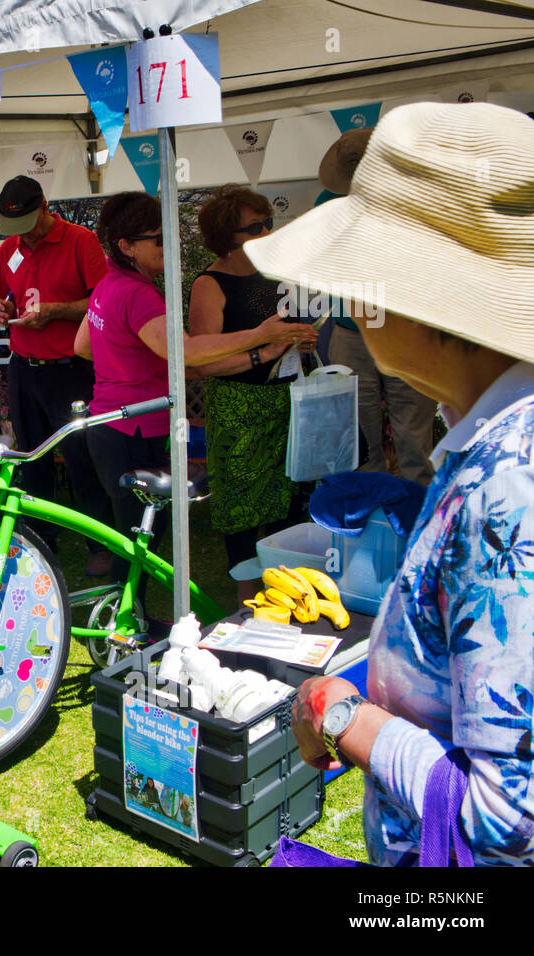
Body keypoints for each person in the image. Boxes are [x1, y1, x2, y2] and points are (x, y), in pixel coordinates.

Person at [247, 102, 534, 865]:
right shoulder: (494, 440)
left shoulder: (508, 486)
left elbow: (507, 822)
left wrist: (337, 712)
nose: (351, 304)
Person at [75, 192, 315, 599]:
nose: (169, 247)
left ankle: (127, 622)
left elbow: (83, 344)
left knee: (135, 535)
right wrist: (261, 336)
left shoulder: (110, 285)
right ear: (126, 246)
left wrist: (136, 358)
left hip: (114, 423)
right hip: (134, 426)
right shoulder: (137, 294)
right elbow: (187, 352)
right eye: (159, 240)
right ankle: (126, 626)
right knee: (140, 538)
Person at [0, 175, 115, 576]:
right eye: (13, 229)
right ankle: (41, 541)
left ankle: (102, 543)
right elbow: (0, 293)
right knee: (32, 459)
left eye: (26, 223)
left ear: (45, 206)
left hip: (72, 370)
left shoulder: (80, 241)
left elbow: (103, 302)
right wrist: (0, 308)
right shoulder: (10, 248)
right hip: (25, 368)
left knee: (83, 459)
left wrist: (55, 311)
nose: (21, 236)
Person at [188, 185, 308, 603]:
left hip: (288, 400)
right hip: (238, 407)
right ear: (227, 236)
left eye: (268, 224)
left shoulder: (274, 277)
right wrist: (264, 352)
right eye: (255, 227)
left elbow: (284, 337)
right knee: (240, 504)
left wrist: (299, 341)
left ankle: (284, 587)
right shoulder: (210, 284)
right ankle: (244, 596)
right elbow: (201, 363)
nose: (266, 232)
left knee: (288, 496)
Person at [317, 127, 439, 486]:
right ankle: (369, 523)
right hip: (351, 332)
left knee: (414, 440)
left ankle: (415, 524)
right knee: (359, 440)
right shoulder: (328, 201)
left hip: (407, 332)